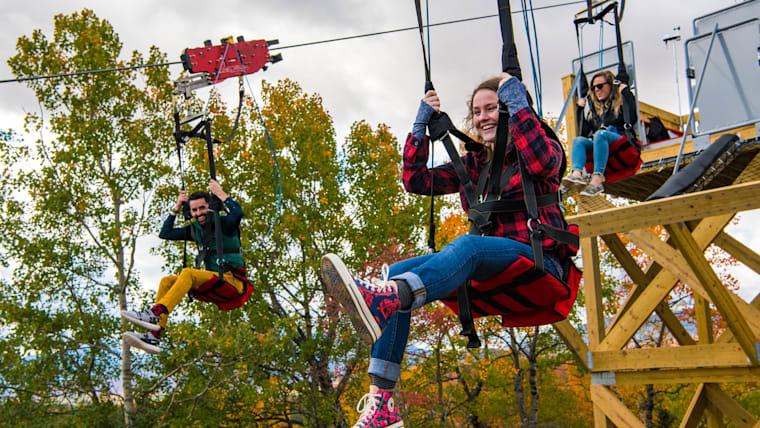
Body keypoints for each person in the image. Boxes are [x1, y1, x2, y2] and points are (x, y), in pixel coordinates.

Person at [321, 73, 575, 428]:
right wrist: (421, 125)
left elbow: (540, 163)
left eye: (494, 108)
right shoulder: (474, 164)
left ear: (513, 110)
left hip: (538, 260)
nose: (484, 117)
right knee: (395, 272)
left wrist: (516, 100)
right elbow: (415, 180)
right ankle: (382, 405)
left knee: (467, 246)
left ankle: (390, 298)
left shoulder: (542, 148)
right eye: (478, 111)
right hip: (489, 266)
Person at [122, 179, 246, 354]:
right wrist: (177, 207)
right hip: (213, 281)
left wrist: (221, 194)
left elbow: (238, 213)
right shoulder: (195, 230)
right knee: (167, 281)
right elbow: (165, 233)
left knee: (187, 273)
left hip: (232, 281)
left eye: (202, 208)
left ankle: (156, 312)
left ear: (209, 207)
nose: (198, 213)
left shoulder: (224, 223)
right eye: (194, 210)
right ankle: (154, 335)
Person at [561, 69, 638, 196]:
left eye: (600, 86)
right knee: (578, 140)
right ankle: (576, 174)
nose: (597, 90)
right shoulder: (595, 111)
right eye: (594, 87)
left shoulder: (621, 102)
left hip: (621, 144)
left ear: (611, 86)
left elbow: (632, 117)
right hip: (602, 145)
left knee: (600, 134)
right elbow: (585, 132)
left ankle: (597, 181)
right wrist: (580, 110)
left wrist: (626, 92)